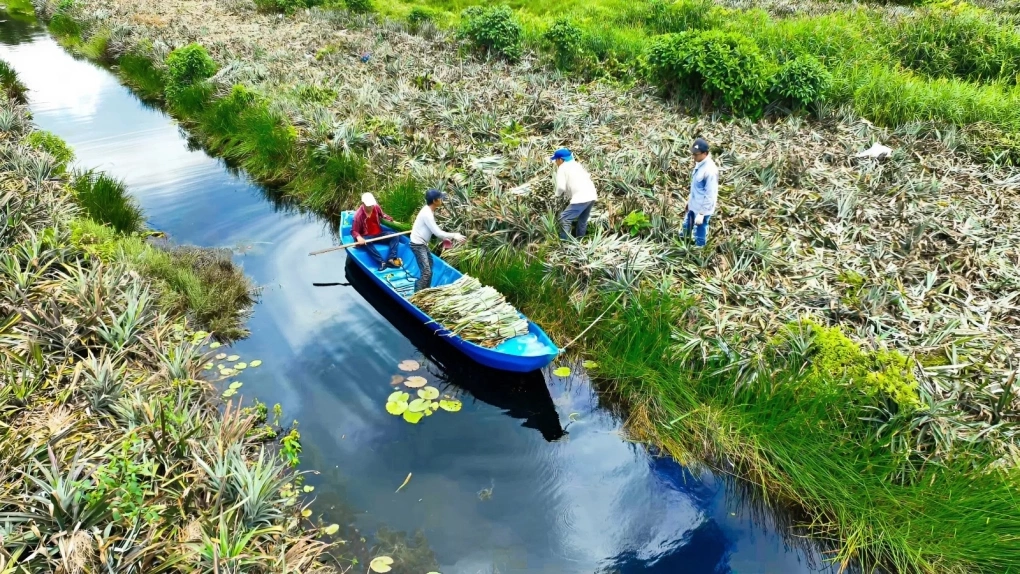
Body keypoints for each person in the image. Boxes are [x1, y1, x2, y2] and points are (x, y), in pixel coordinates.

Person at [410, 189, 465, 292]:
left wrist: (446, 239)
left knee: (429, 268)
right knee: (427, 272)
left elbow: (434, 230)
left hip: (422, 244)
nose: (442, 200)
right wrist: (454, 235)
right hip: (417, 245)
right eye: (440, 198)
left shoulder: (429, 210)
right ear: (435, 201)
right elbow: (438, 233)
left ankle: (425, 289)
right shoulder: (427, 214)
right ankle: (418, 292)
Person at [551, 148, 598, 240]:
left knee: (564, 218)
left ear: (560, 159)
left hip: (581, 197)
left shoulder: (562, 168)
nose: (556, 163)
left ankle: (564, 243)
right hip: (592, 195)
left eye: (556, 160)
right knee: (582, 220)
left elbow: (561, 187)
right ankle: (580, 241)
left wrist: (556, 196)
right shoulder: (576, 165)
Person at [682, 137, 718, 247]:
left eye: (696, 154)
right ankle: (683, 245)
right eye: (693, 154)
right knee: (686, 227)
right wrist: (689, 202)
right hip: (694, 205)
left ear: (705, 153)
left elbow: (710, 194)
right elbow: (696, 187)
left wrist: (702, 213)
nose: (693, 157)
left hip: (702, 209)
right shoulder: (699, 163)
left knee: (700, 233)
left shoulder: (710, 170)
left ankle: (699, 253)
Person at [351, 192, 402, 271]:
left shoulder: (376, 207)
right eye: (369, 206)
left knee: (395, 236)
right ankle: (381, 262)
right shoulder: (358, 216)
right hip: (367, 236)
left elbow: (383, 215)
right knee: (366, 241)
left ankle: (391, 259)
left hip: (378, 234)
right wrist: (358, 237)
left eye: (372, 205)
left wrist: (392, 221)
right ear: (363, 204)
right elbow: (354, 231)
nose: (371, 207)